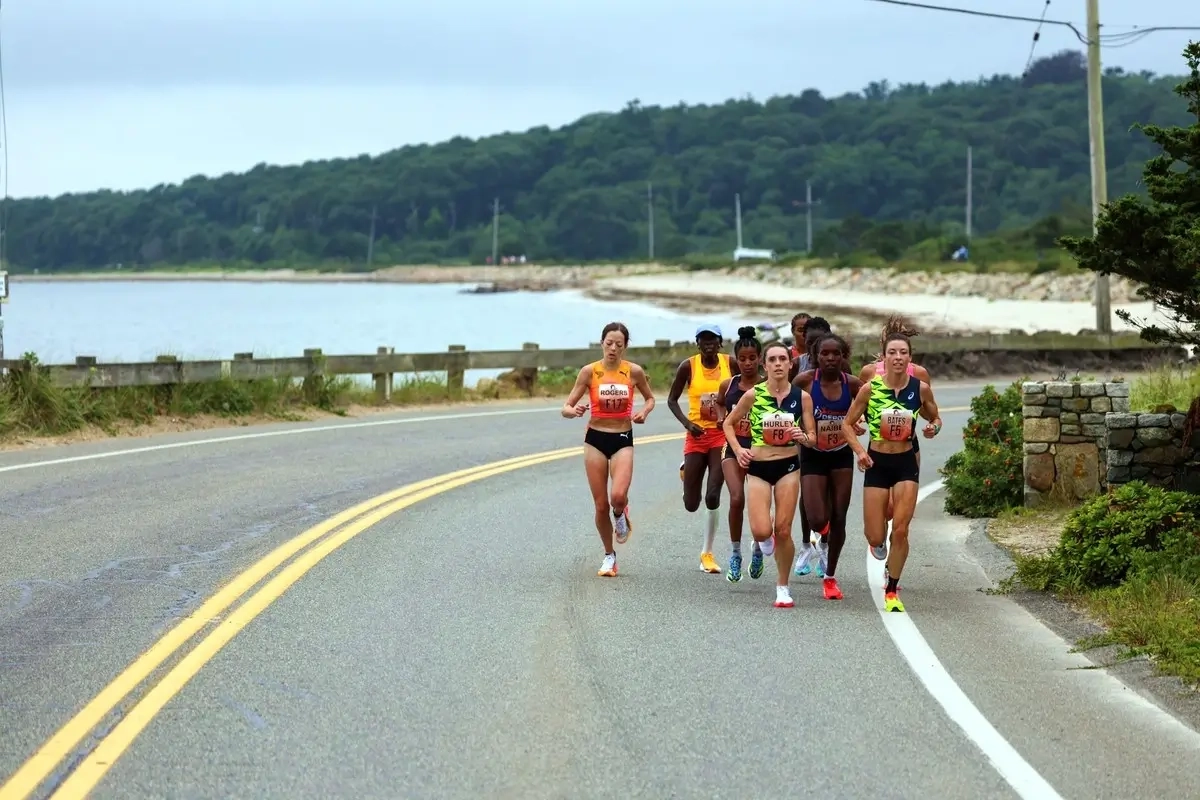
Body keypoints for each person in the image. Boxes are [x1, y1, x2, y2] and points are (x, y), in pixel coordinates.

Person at [842, 332, 942, 612]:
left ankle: (892, 589)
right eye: (892, 353)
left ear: (910, 357)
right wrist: (860, 452)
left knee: (900, 529)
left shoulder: (920, 389)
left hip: (905, 463)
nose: (898, 358)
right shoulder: (870, 389)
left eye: (903, 353)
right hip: (877, 463)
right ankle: (880, 548)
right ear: (884, 358)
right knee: (875, 536)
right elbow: (847, 424)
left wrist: (933, 428)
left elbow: (935, 417)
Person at [722, 341, 817, 608]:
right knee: (762, 530)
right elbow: (728, 423)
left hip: (788, 467)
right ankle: (765, 534)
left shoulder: (802, 397)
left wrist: (803, 437)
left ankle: (782, 587)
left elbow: (812, 437)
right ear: (765, 365)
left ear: (790, 364)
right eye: (772, 360)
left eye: (782, 359)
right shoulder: (753, 395)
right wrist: (739, 450)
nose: (777, 364)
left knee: (784, 530)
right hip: (758, 467)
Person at [562, 322, 656, 578]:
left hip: (622, 437)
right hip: (595, 438)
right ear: (602, 343)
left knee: (617, 496)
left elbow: (650, 398)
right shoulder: (589, 372)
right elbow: (566, 407)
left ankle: (621, 511)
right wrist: (573, 410)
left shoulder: (633, 371)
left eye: (619, 344)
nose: (613, 348)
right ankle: (609, 555)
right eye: (609, 343)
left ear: (625, 347)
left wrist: (644, 412)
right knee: (600, 505)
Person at [792, 332, 864, 600]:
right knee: (816, 518)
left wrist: (859, 423)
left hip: (841, 454)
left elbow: (870, 410)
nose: (831, 358)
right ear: (816, 356)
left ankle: (830, 576)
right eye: (825, 353)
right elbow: (787, 408)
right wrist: (797, 431)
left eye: (836, 353)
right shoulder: (804, 381)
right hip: (813, 453)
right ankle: (825, 534)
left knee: (840, 515)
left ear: (843, 356)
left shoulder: (853, 384)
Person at [668, 323, 734, 574]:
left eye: (712, 339)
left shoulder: (730, 364)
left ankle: (707, 552)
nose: (708, 344)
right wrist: (687, 423)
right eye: (703, 340)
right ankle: (686, 470)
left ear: (720, 342)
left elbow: (746, 390)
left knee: (713, 495)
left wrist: (731, 418)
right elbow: (672, 400)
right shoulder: (688, 366)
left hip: (720, 437)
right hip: (696, 437)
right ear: (697, 344)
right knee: (691, 504)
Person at [856, 315, 933, 522]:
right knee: (886, 508)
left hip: (909, 445)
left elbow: (927, 411)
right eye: (891, 347)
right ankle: (882, 533)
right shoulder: (869, 372)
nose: (896, 354)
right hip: (879, 445)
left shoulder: (919, 373)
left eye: (902, 348)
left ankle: (898, 534)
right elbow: (859, 403)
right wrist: (858, 419)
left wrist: (930, 422)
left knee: (900, 509)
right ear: (884, 347)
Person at [716, 326, 766, 583]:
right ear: (736, 359)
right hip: (733, 448)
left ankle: (757, 549)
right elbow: (719, 403)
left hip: (761, 450)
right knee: (736, 498)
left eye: (752, 358)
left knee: (759, 504)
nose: (747, 363)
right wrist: (721, 418)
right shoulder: (729, 385)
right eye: (743, 359)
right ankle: (735, 554)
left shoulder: (767, 386)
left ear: (760, 359)